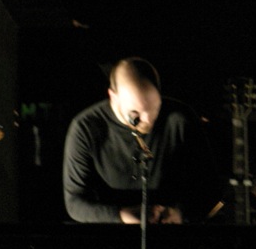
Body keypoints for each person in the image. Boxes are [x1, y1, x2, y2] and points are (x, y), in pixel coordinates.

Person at [62, 57, 222, 225]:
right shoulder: (85, 128)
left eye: (155, 108)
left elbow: (210, 188)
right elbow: (75, 203)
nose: (147, 119)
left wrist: (179, 213)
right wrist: (122, 216)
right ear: (113, 97)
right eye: (135, 113)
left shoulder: (181, 119)